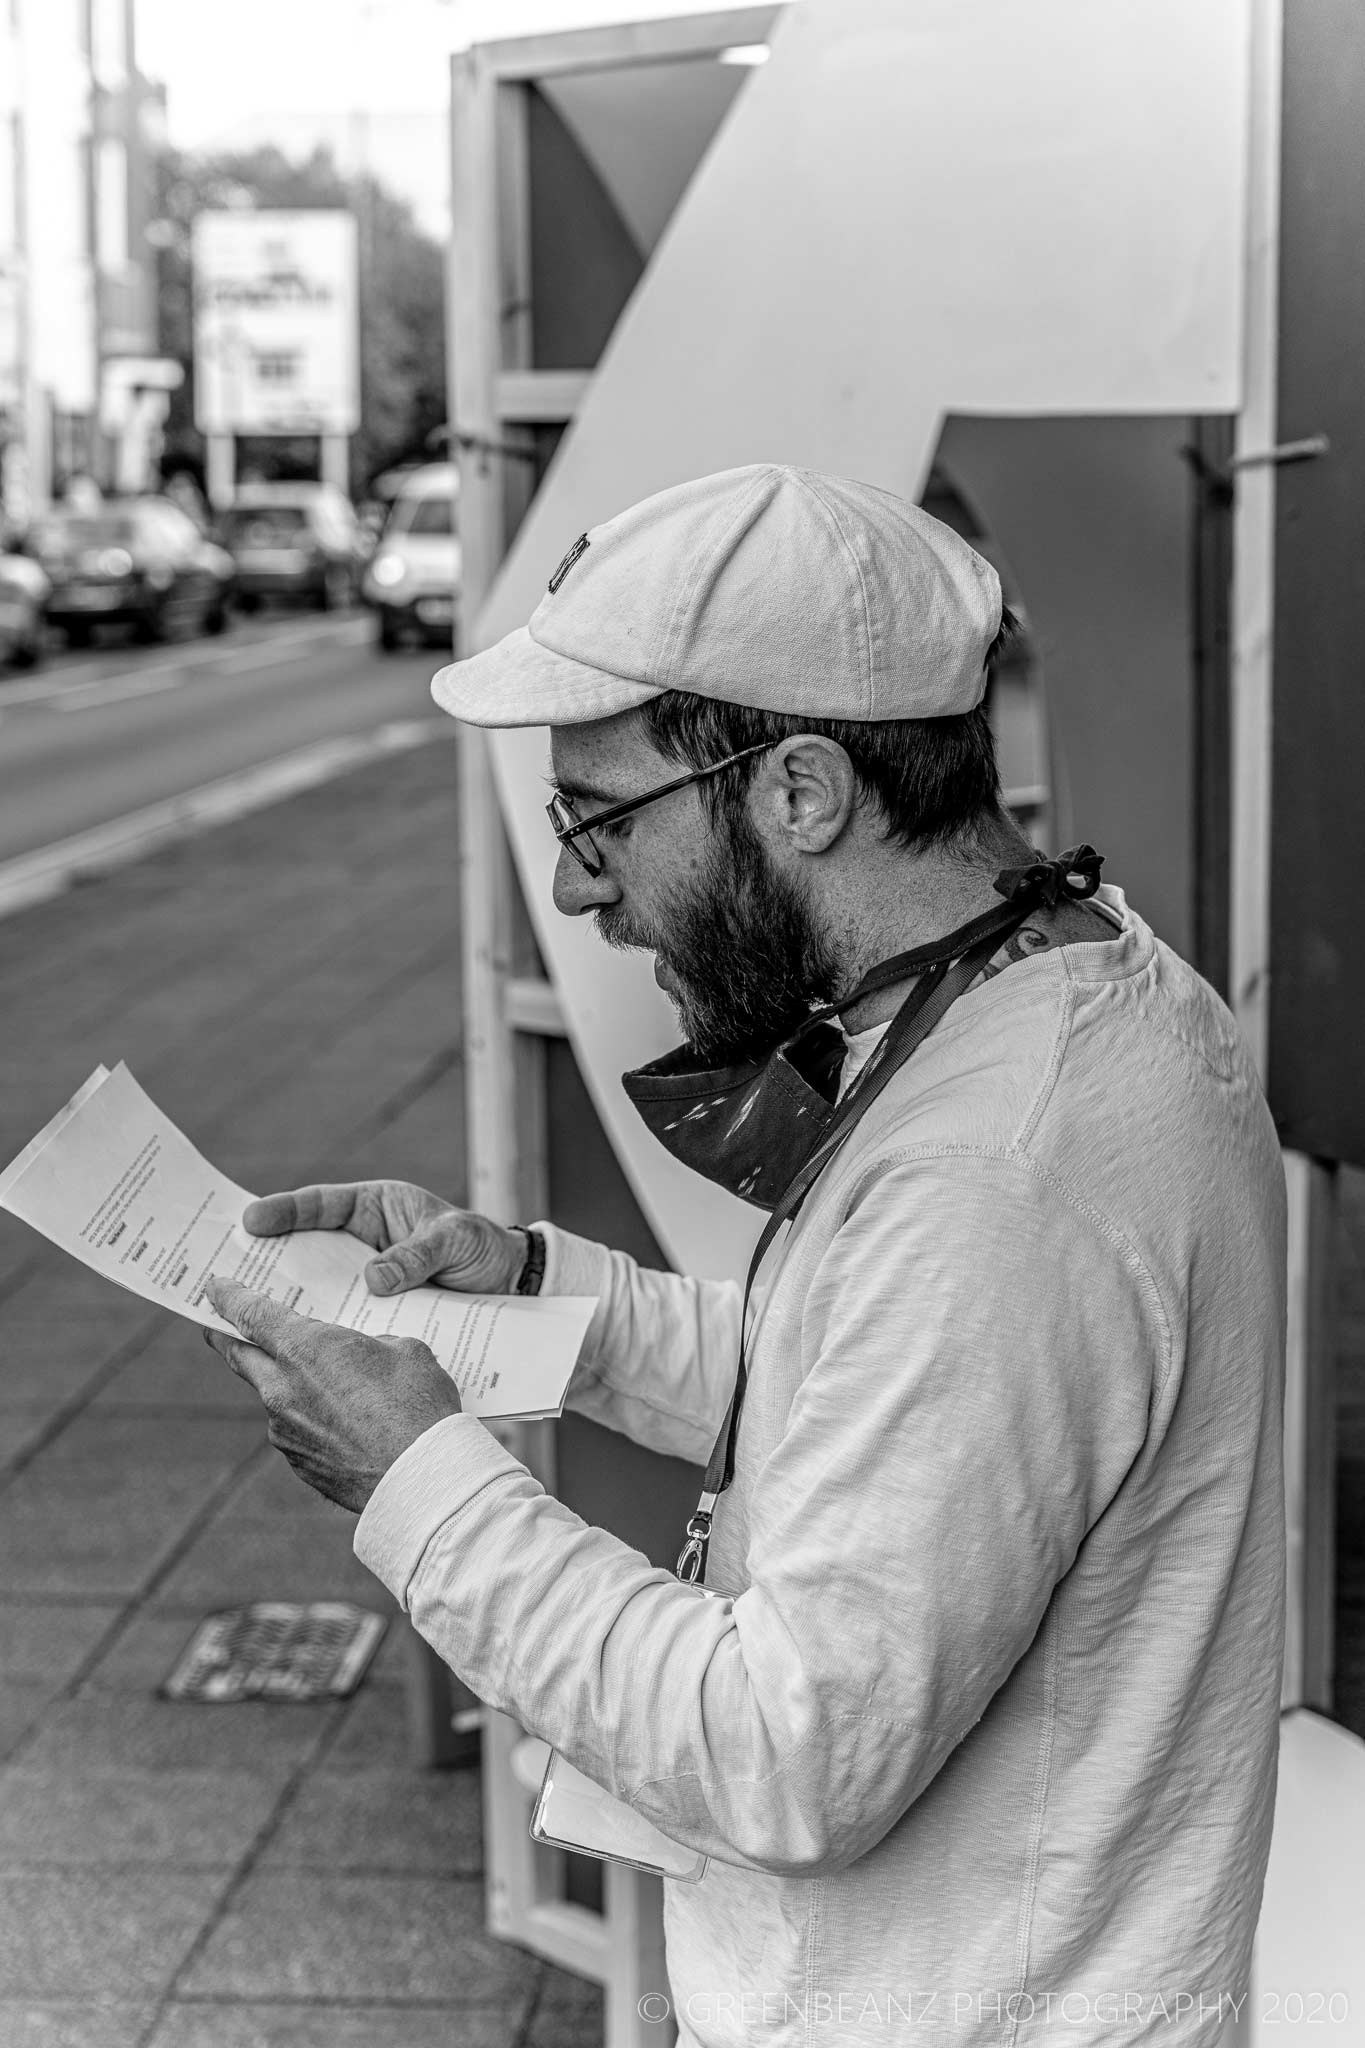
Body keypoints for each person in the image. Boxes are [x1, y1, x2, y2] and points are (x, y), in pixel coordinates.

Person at [205, 465, 1286, 2046]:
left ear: (797, 791)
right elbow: (892, 1393)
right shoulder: (1056, 976)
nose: (578, 886)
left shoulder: (1003, 1169)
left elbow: (790, 1753)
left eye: (596, 820)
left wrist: (418, 1483)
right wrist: (534, 1296)